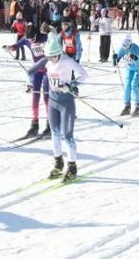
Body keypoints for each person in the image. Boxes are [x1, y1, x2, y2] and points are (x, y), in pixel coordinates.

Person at [28, 36, 88, 183]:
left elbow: (84, 75)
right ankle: (58, 163)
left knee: (68, 136)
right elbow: (31, 71)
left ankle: (72, 168)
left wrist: (71, 85)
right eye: (49, 57)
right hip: (53, 101)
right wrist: (30, 84)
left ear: (58, 53)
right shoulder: (48, 60)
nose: (51, 59)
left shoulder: (67, 61)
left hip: (66, 102)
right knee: (54, 133)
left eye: (53, 57)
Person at [6, 23, 51, 137]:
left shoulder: (45, 37)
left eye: (34, 39)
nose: (33, 41)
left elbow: (56, 43)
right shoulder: (27, 39)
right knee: (35, 97)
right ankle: (34, 124)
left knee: (46, 97)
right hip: (37, 70)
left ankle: (50, 123)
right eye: (30, 39)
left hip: (48, 70)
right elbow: (16, 45)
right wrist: (9, 48)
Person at [113, 35, 139, 116]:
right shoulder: (122, 48)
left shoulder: (136, 49)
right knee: (127, 85)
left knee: (134, 85)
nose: (125, 48)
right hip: (130, 68)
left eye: (127, 46)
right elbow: (117, 57)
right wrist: (115, 59)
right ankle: (127, 105)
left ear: (130, 44)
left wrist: (136, 58)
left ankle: (138, 106)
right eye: (124, 46)